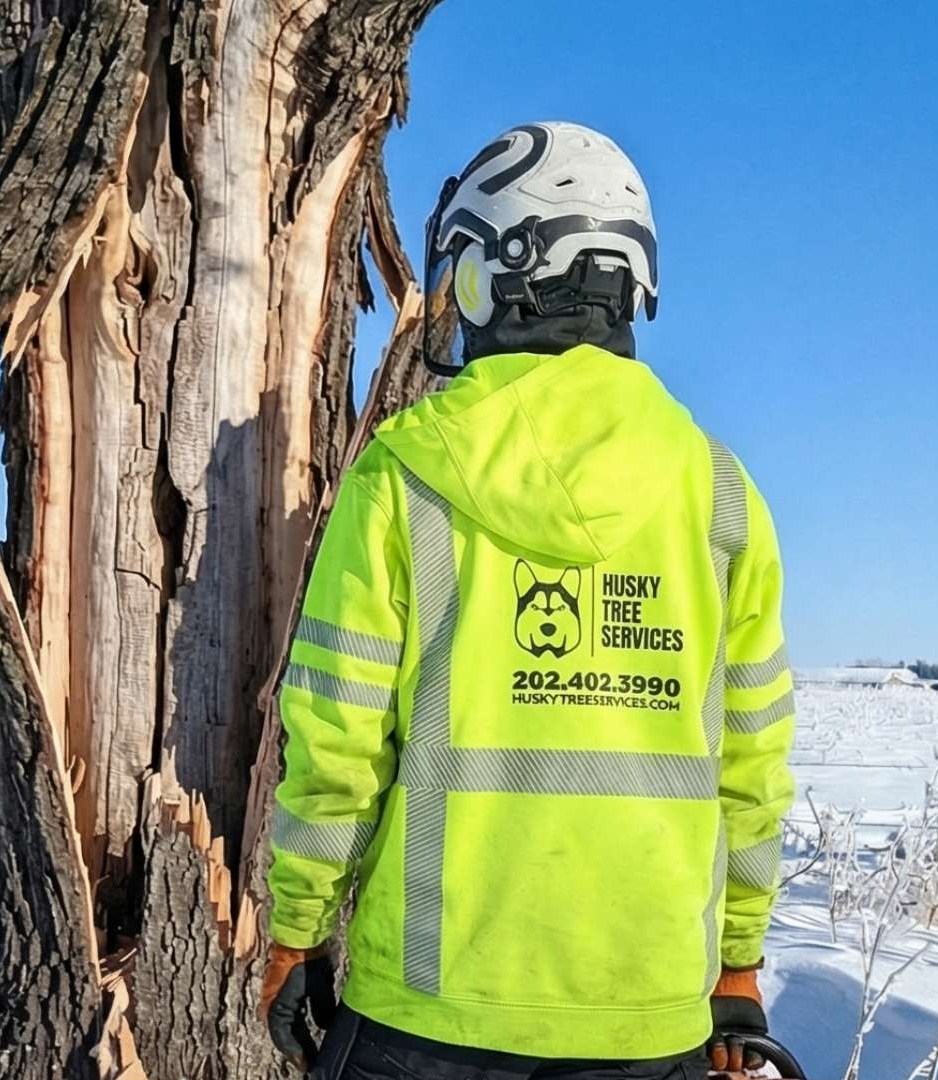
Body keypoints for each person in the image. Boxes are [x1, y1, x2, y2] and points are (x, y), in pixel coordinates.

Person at [260, 121, 797, 1080]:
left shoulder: (405, 474)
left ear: (500, 275)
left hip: (426, 1018)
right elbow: (751, 770)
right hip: (650, 1019)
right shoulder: (722, 499)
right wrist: (737, 963)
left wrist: (296, 930)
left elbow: (335, 738)